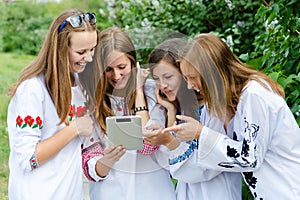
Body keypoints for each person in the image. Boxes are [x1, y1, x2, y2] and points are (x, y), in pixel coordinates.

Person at [163, 33, 300, 199]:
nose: (190, 85)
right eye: (186, 78)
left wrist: (201, 133)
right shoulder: (235, 101)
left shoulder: (254, 95)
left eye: (192, 77)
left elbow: (250, 158)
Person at [7, 9, 98, 199]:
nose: (89, 58)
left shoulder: (79, 83)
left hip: (71, 193)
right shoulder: (32, 89)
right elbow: (28, 158)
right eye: (81, 52)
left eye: (92, 49)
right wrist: (74, 128)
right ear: (60, 48)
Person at [81, 27, 176, 200]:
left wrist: (139, 92)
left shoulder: (151, 93)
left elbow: (149, 145)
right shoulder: (93, 102)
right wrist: (107, 160)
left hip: (154, 192)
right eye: (108, 69)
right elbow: (89, 166)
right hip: (110, 193)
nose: (116, 75)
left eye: (122, 67)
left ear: (133, 63)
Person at [145, 38, 242, 200]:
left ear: (185, 73)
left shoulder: (215, 108)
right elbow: (168, 163)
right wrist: (171, 110)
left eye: (168, 76)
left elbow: (203, 169)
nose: (163, 85)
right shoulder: (179, 109)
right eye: (156, 79)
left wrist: (169, 141)